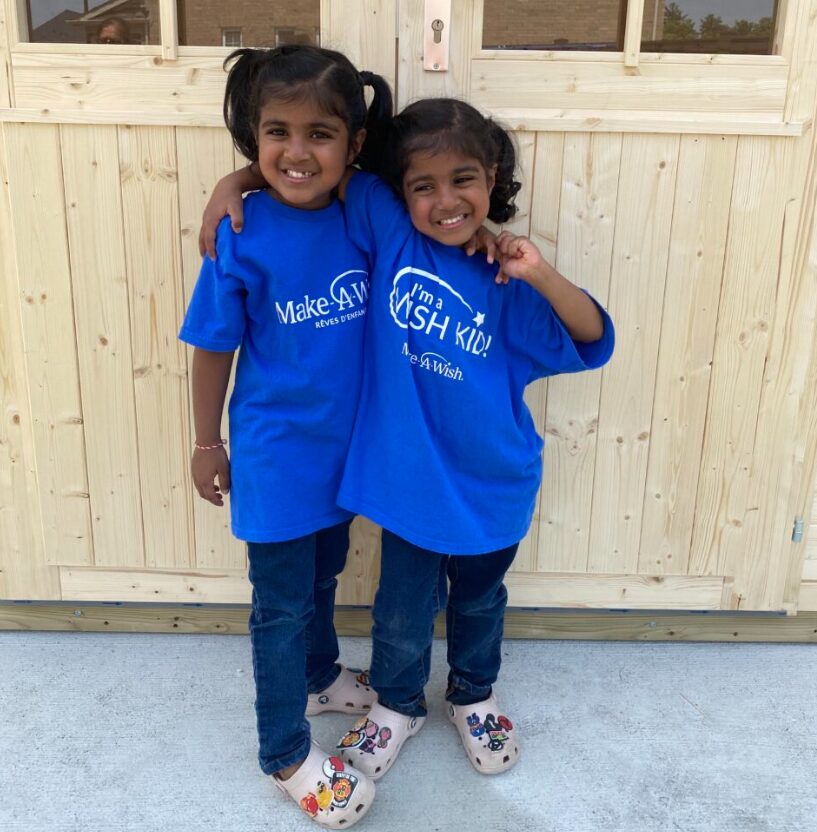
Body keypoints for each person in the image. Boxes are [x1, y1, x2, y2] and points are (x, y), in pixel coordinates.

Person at [201, 98, 614, 783]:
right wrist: (236, 181)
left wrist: (537, 269)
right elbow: (317, 166)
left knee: (479, 600)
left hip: (493, 483)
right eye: (423, 185)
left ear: (491, 179)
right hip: (410, 484)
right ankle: (397, 705)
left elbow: (591, 337)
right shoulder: (388, 233)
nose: (445, 201)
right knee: (401, 610)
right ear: (398, 193)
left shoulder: (506, 280)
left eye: (463, 180)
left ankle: (472, 694)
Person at [179, 44, 392, 828]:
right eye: (277, 132)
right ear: (253, 134)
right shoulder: (239, 232)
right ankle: (284, 753)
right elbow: (213, 347)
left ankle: (319, 675)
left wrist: (238, 174)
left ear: (353, 143)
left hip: (346, 454)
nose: (297, 152)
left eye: (319, 134)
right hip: (274, 457)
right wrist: (207, 444)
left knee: (324, 575)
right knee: (279, 606)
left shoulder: (363, 208)